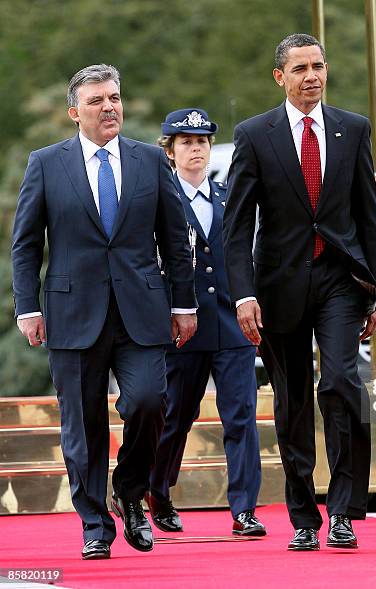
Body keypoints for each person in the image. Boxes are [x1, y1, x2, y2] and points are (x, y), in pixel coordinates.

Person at [11, 64, 198, 559]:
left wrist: (184, 302)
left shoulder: (148, 161)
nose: (109, 106)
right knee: (84, 423)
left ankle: (130, 493)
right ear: (75, 112)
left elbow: (175, 239)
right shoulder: (46, 164)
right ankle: (95, 522)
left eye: (114, 97)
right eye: (96, 100)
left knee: (147, 403)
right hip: (72, 312)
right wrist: (26, 306)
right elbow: (26, 244)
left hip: (142, 309)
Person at [223, 33, 376, 551]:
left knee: (340, 383)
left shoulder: (352, 130)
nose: (312, 76)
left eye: (319, 66)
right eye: (300, 69)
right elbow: (235, 227)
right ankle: (303, 517)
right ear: (280, 77)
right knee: (292, 402)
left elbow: (367, 217)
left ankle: (342, 511)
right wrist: (243, 295)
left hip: (339, 280)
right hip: (278, 286)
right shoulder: (255, 135)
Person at [146, 108, 265, 537]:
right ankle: (157, 489)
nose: (195, 149)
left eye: (201, 142)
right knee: (175, 416)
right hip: (182, 324)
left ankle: (244, 510)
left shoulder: (227, 196)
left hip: (232, 324)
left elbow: (244, 254)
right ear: (170, 151)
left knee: (241, 415)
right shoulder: (160, 198)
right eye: (185, 143)